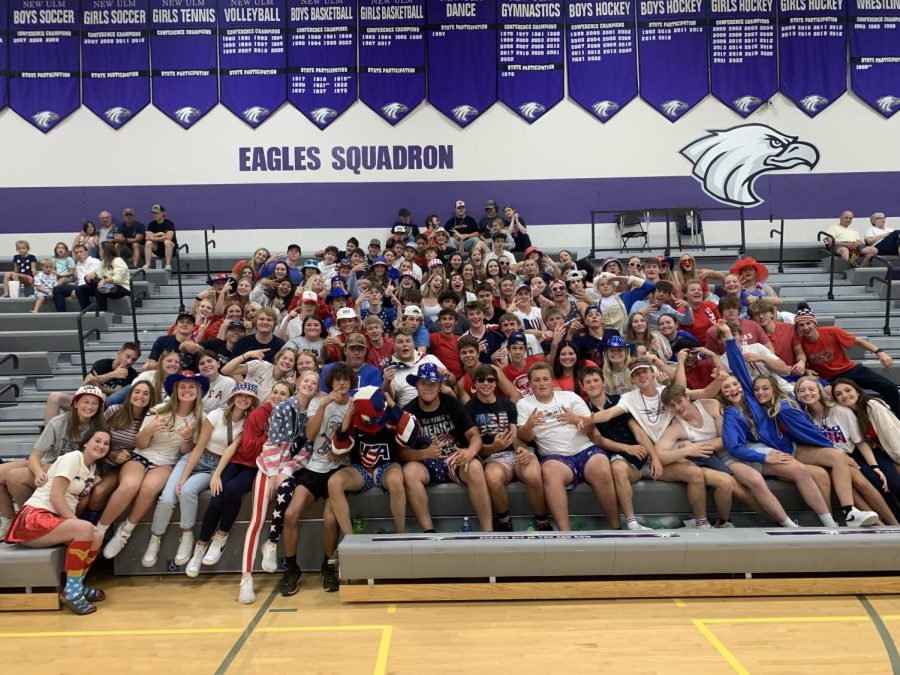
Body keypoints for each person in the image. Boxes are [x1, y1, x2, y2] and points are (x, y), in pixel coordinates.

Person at [720, 322, 879, 527]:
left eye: (736, 385)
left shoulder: (760, 399)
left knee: (834, 467)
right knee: (819, 471)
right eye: (727, 388)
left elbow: (739, 368)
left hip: (789, 448)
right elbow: (734, 446)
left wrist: (730, 339)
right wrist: (729, 340)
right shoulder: (732, 414)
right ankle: (831, 522)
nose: (734, 389)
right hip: (773, 453)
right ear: (722, 393)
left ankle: (841, 519)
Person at [156, 383, 260, 575]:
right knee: (180, 490)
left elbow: (231, 450)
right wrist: (183, 476)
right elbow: (198, 446)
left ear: (253, 401)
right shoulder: (216, 415)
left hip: (220, 464)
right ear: (233, 397)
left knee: (218, 495)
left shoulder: (249, 421)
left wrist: (217, 475)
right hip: (201, 457)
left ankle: (210, 543)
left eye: (248, 397)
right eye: (240, 395)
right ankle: (196, 546)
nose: (243, 399)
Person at [4, 429, 112, 615]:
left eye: (106, 443)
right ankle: (71, 592)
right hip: (34, 517)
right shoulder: (73, 458)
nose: (102, 446)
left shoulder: (90, 468)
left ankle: (76, 585)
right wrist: (76, 523)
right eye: (98, 441)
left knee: (96, 536)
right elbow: (56, 496)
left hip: (51, 519)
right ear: (85, 443)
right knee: (85, 529)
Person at [100, 371, 207, 558]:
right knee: (130, 485)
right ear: (175, 390)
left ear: (198, 391)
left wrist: (188, 439)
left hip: (167, 462)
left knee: (149, 489)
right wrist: (149, 429)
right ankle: (99, 531)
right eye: (182, 386)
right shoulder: (159, 409)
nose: (187, 390)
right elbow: (140, 444)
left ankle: (125, 532)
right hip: (142, 455)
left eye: (191, 387)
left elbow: (184, 452)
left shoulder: (201, 418)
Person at [277, 365, 354, 595]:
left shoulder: (354, 405)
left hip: (339, 468)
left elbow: (355, 440)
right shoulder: (316, 403)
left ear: (351, 383)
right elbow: (311, 434)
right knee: (290, 514)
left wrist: (342, 452)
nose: (341, 384)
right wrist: (322, 405)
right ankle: (291, 568)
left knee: (330, 520)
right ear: (330, 383)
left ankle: (327, 567)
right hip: (314, 466)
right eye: (337, 380)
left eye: (345, 380)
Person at [516, 362, 620, 531]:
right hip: (554, 457)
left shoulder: (570, 397)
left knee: (601, 468)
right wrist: (529, 425)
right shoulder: (524, 404)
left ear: (552, 381)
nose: (541, 383)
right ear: (530, 384)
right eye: (536, 380)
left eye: (545, 379)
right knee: (550, 473)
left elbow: (590, 427)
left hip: (585, 450)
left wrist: (576, 419)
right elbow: (524, 437)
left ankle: (616, 528)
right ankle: (565, 534)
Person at [0, 386, 107, 540]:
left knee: (15, 477)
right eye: (85, 402)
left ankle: (30, 520)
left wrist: (96, 474)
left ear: (99, 407)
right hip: (49, 464)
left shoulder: (100, 428)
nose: (89, 407)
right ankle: (11, 519)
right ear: (75, 403)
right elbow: (35, 455)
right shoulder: (58, 422)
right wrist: (38, 472)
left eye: (94, 403)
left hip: (72, 473)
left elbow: (100, 457)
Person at [402, 363, 492, 532]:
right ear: (416, 385)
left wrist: (470, 451)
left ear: (439, 385)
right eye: (423, 383)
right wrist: (423, 453)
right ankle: (429, 532)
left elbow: (475, 436)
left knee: (474, 467)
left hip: (456, 457)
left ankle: (488, 532)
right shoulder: (408, 412)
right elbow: (402, 452)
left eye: (433, 384)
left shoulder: (451, 403)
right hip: (427, 463)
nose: (428, 388)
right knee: (408, 472)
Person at [797, 376, 900, 523]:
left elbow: (861, 443)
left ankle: (893, 523)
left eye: (811, 389)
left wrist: (874, 466)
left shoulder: (842, 411)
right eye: (802, 391)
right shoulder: (805, 418)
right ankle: (881, 522)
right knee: (857, 484)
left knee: (879, 481)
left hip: (856, 453)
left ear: (819, 391)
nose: (807, 393)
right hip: (834, 459)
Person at [329, 386, 422, 537]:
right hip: (361, 468)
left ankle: (400, 535)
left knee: (395, 479)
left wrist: (392, 404)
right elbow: (338, 448)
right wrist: (349, 414)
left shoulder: (391, 413)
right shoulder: (354, 416)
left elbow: (412, 435)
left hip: (387, 466)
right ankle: (349, 538)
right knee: (334, 482)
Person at [466, 364, 550, 531]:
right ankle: (505, 522)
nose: (485, 383)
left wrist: (522, 451)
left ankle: (542, 522)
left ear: (496, 383)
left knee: (533, 475)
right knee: (493, 477)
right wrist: (493, 447)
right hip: (492, 457)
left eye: (490, 380)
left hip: (515, 452)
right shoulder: (468, 409)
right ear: (474, 384)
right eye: (480, 380)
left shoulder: (508, 405)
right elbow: (475, 448)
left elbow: (515, 435)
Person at [794, 303, 900, 417]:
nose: (805, 327)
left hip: (849, 369)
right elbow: (801, 358)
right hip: (829, 378)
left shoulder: (832, 331)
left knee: (889, 387)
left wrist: (880, 352)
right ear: (797, 328)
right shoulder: (798, 343)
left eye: (808, 323)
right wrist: (806, 369)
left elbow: (859, 341)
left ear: (814, 323)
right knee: (846, 403)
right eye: (801, 325)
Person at [81, 381, 159, 523]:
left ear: (150, 398)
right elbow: (96, 435)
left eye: (146, 393)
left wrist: (126, 454)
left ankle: (91, 527)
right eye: (137, 392)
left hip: (119, 467)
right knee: (81, 492)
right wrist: (111, 455)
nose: (140, 396)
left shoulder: (150, 420)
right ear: (130, 394)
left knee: (99, 492)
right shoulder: (114, 410)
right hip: (98, 459)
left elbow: (145, 447)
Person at [43, 342, 140, 424]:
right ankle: (48, 437)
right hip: (83, 401)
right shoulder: (102, 364)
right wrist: (113, 374)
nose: (129, 361)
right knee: (54, 397)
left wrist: (98, 384)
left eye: (133, 360)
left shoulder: (132, 374)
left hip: (101, 408)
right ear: (119, 353)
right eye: (127, 356)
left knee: (102, 396)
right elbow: (87, 383)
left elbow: (115, 392)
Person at [75, 241, 130, 311]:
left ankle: (102, 313)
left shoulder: (117, 260)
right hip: (107, 285)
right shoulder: (103, 262)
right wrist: (91, 275)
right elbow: (99, 276)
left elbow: (118, 279)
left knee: (100, 289)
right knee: (80, 288)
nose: (99, 251)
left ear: (105, 250)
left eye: (100, 248)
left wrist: (105, 280)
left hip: (121, 287)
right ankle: (87, 311)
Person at [52, 244, 102, 312]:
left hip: (91, 286)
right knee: (57, 289)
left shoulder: (94, 261)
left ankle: (88, 312)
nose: (79, 254)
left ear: (86, 252)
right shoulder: (78, 263)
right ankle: (61, 313)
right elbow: (77, 278)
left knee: (80, 289)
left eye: (81, 252)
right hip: (79, 287)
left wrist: (77, 289)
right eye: (76, 253)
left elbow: (91, 279)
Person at [143, 204, 177, 272]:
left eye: (156, 213)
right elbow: (147, 237)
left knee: (167, 242)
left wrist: (154, 237)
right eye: (153, 213)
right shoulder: (151, 224)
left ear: (163, 213)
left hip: (170, 248)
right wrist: (160, 234)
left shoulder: (169, 223)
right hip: (158, 248)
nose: (154, 215)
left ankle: (168, 265)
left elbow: (169, 238)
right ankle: (148, 265)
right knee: (148, 243)